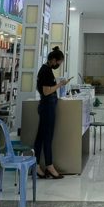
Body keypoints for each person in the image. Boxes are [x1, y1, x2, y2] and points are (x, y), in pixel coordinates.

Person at [34, 46, 69, 179]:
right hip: (47, 106)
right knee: (47, 137)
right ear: (53, 60)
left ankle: (37, 164)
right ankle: (49, 165)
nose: (58, 65)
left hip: (47, 106)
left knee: (41, 137)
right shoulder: (46, 71)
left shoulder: (46, 70)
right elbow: (46, 91)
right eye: (59, 62)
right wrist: (60, 85)